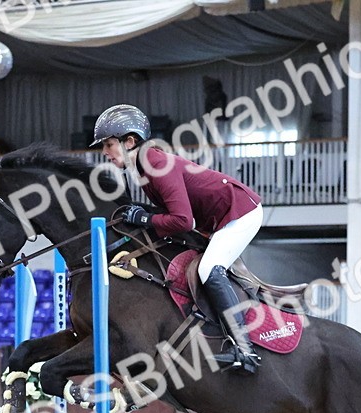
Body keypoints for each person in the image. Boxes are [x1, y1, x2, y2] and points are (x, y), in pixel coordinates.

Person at [91, 103, 263, 375]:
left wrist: (144, 219)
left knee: (208, 268)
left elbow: (184, 221)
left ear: (130, 141)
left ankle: (245, 350)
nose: (105, 153)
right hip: (218, 220)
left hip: (240, 212)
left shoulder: (156, 163)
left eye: (109, 144)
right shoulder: (145, 169)